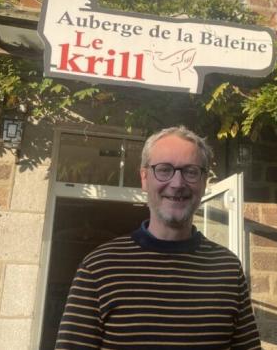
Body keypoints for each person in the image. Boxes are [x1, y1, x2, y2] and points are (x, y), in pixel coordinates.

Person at [55, 126, 261, 349]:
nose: (177, 183)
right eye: (164, 170)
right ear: (144, 178)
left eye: (190, 171)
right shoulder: (98, 267)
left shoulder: (228, 268)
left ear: (203, 183)